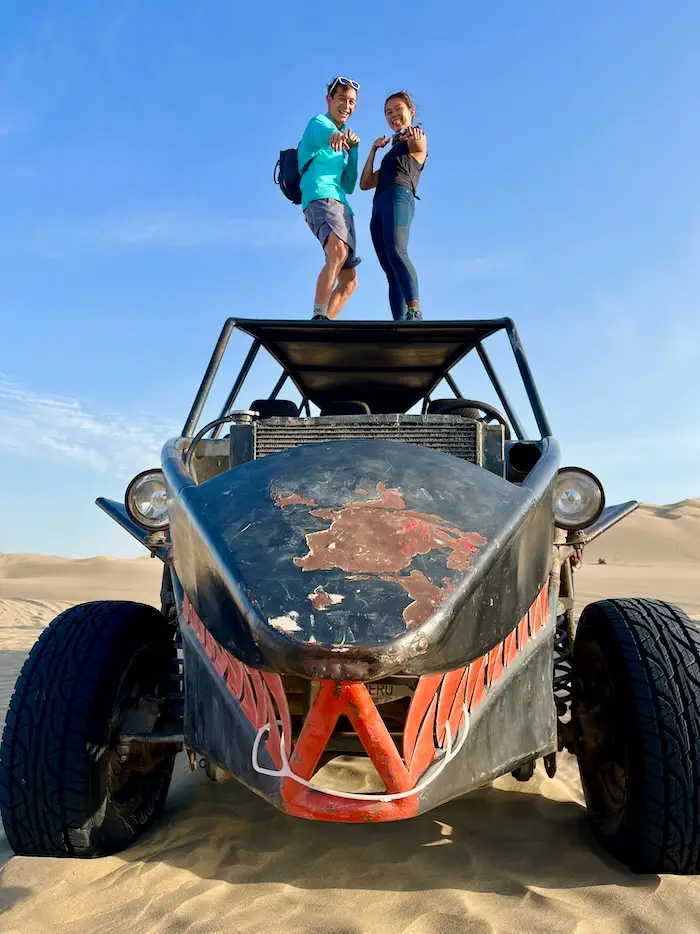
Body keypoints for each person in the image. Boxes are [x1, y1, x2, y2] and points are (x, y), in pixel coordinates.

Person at [298, 77, 362, 321]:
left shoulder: (345, 138)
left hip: (342, 204)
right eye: (342, 99)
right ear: (329, 100)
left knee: (349, 282)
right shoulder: (320, 123)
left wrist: (353, 152)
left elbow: (348, 184)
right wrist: (335, 136)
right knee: (337, 251)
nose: (346, 105)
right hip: (320, 196)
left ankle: (324, 326)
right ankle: (318, 317)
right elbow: (325, 134)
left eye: (351, 102)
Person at [359, 90, 427, 321]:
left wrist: (410, 133)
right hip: (379, 205)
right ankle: (399, 322)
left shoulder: (416, 138)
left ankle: (414, 311)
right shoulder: (391, 155)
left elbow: (418, 143)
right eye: (388, 112)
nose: (393, 114)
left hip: (400, 196)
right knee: (390, 269)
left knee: (397, 252)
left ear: (411, 111)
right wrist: (374, 150)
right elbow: (365, 182)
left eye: (399, 109)